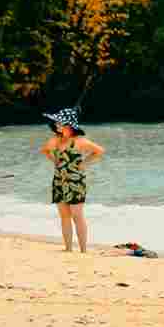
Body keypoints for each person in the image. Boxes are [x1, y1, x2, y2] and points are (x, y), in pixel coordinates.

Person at [38, 107, 104, 253]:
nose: (56, 125)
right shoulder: (55, 140)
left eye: (60, 123)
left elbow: (99, 151)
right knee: (64, 216)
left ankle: (83, 250)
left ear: (69, 125)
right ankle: (68, 249)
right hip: (59, 181)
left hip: (76, 182)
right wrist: (54, 160)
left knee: (77, 215)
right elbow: (44, 150)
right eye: (56, 123)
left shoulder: (80, 141)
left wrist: (84, 163)